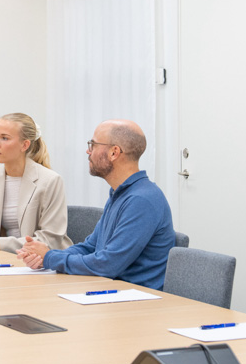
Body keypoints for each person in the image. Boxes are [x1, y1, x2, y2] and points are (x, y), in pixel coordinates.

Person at [18, 119, 174, 289]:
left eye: (92, 145)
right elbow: (90, 247)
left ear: (114, 152)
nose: (88, 151)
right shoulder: (120, 193)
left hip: (137, 302)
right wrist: (45, 256)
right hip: (110, 291)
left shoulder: (141, 200)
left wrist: (50, 257)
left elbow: (107, 264)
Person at [0, 113, 71, 253]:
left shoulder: (50, 181)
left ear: (25, 145)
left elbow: (50, 238)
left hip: (39, 264)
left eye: (4, 138)